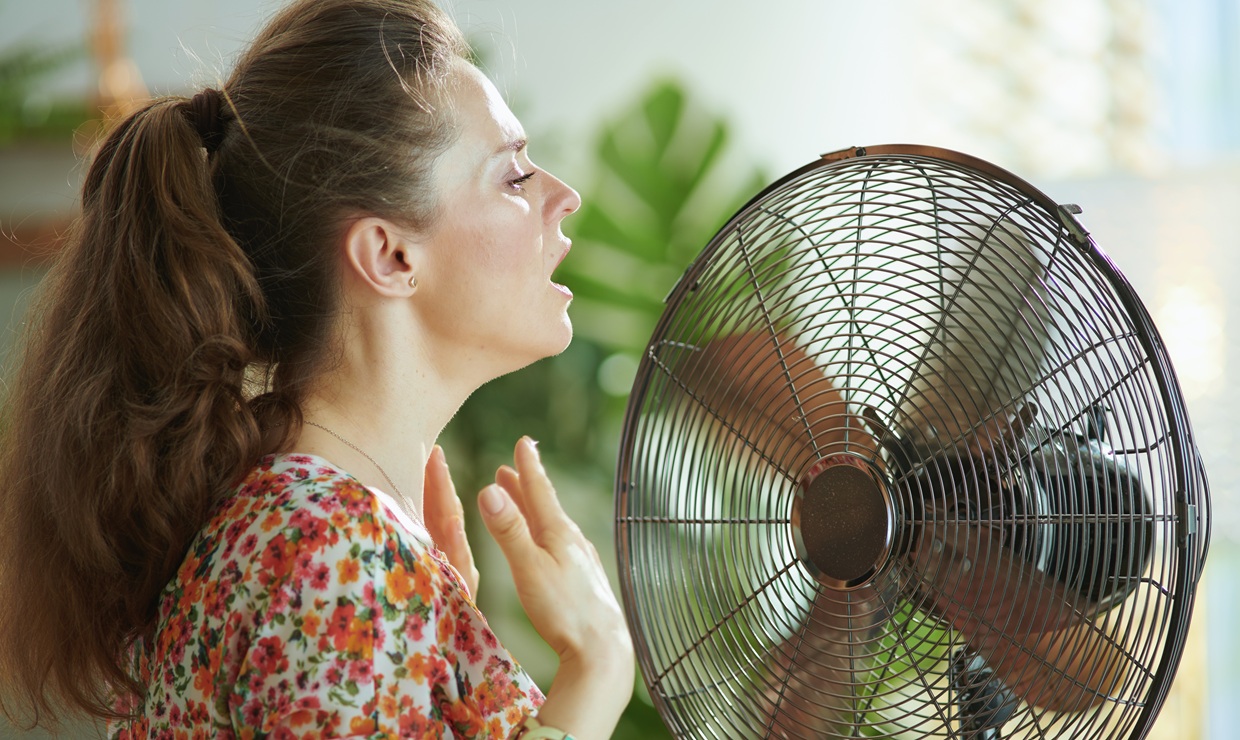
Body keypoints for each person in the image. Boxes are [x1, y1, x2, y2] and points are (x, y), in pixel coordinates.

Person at [0, 0, 635, 737]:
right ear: (390, 255)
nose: (564, 197)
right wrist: (595, 675)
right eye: (514, 177)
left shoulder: (316, 537)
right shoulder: (332, 555)